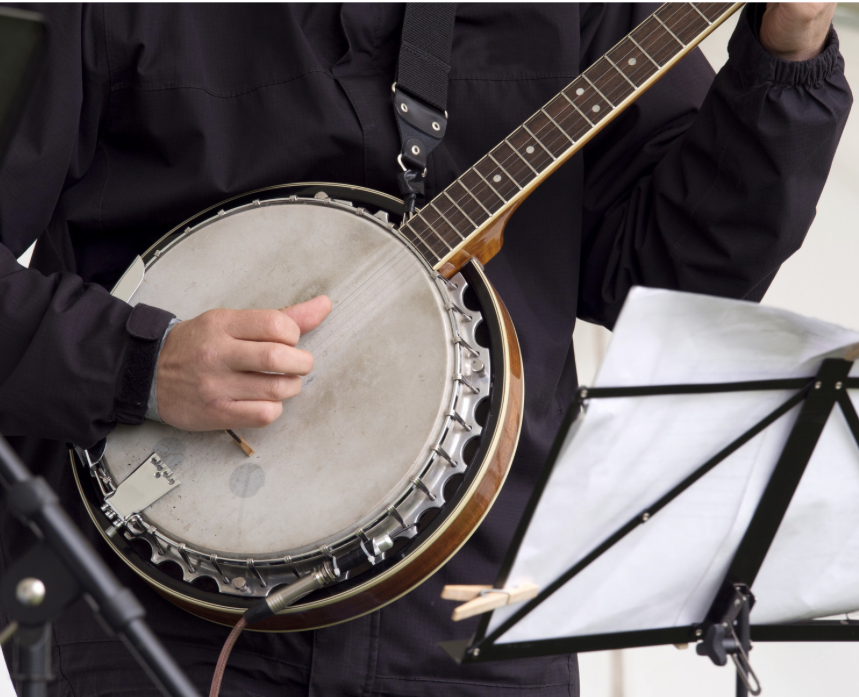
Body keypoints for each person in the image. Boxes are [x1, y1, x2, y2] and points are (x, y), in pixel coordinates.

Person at [0, 3, 850, 696]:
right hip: (160, 611)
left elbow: (676, 271)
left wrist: (790, 47)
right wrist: (138, 363)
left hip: (467, 623)